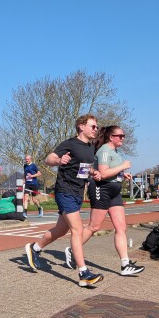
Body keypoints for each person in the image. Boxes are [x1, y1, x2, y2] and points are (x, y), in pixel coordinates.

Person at [24, 114, 104, 287]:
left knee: (60, 230)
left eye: (96, 127)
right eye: (93, 126)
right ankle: (83, 273)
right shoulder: (70, 143)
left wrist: (93, 172)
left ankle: (35, 248)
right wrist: (59, 160)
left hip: (77, 193)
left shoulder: (90, 147)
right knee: (78, 229)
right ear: (81, 127)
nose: (96, 129)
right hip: (64, 191)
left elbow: (83, 168)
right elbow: (48, 159)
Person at [64, 125, 144, 276]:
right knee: (94, 226)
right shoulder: (105, 151)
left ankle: (125, 264)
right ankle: (74, 249)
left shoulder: (115, 152)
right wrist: (123, 166)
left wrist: (122, 174)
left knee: (121, 227)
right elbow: (103, 173)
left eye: (123, 136)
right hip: (102, 188)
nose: (123, 138)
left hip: (114, 190)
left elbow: (112, 172)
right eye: (120, 136)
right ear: (110, 137)